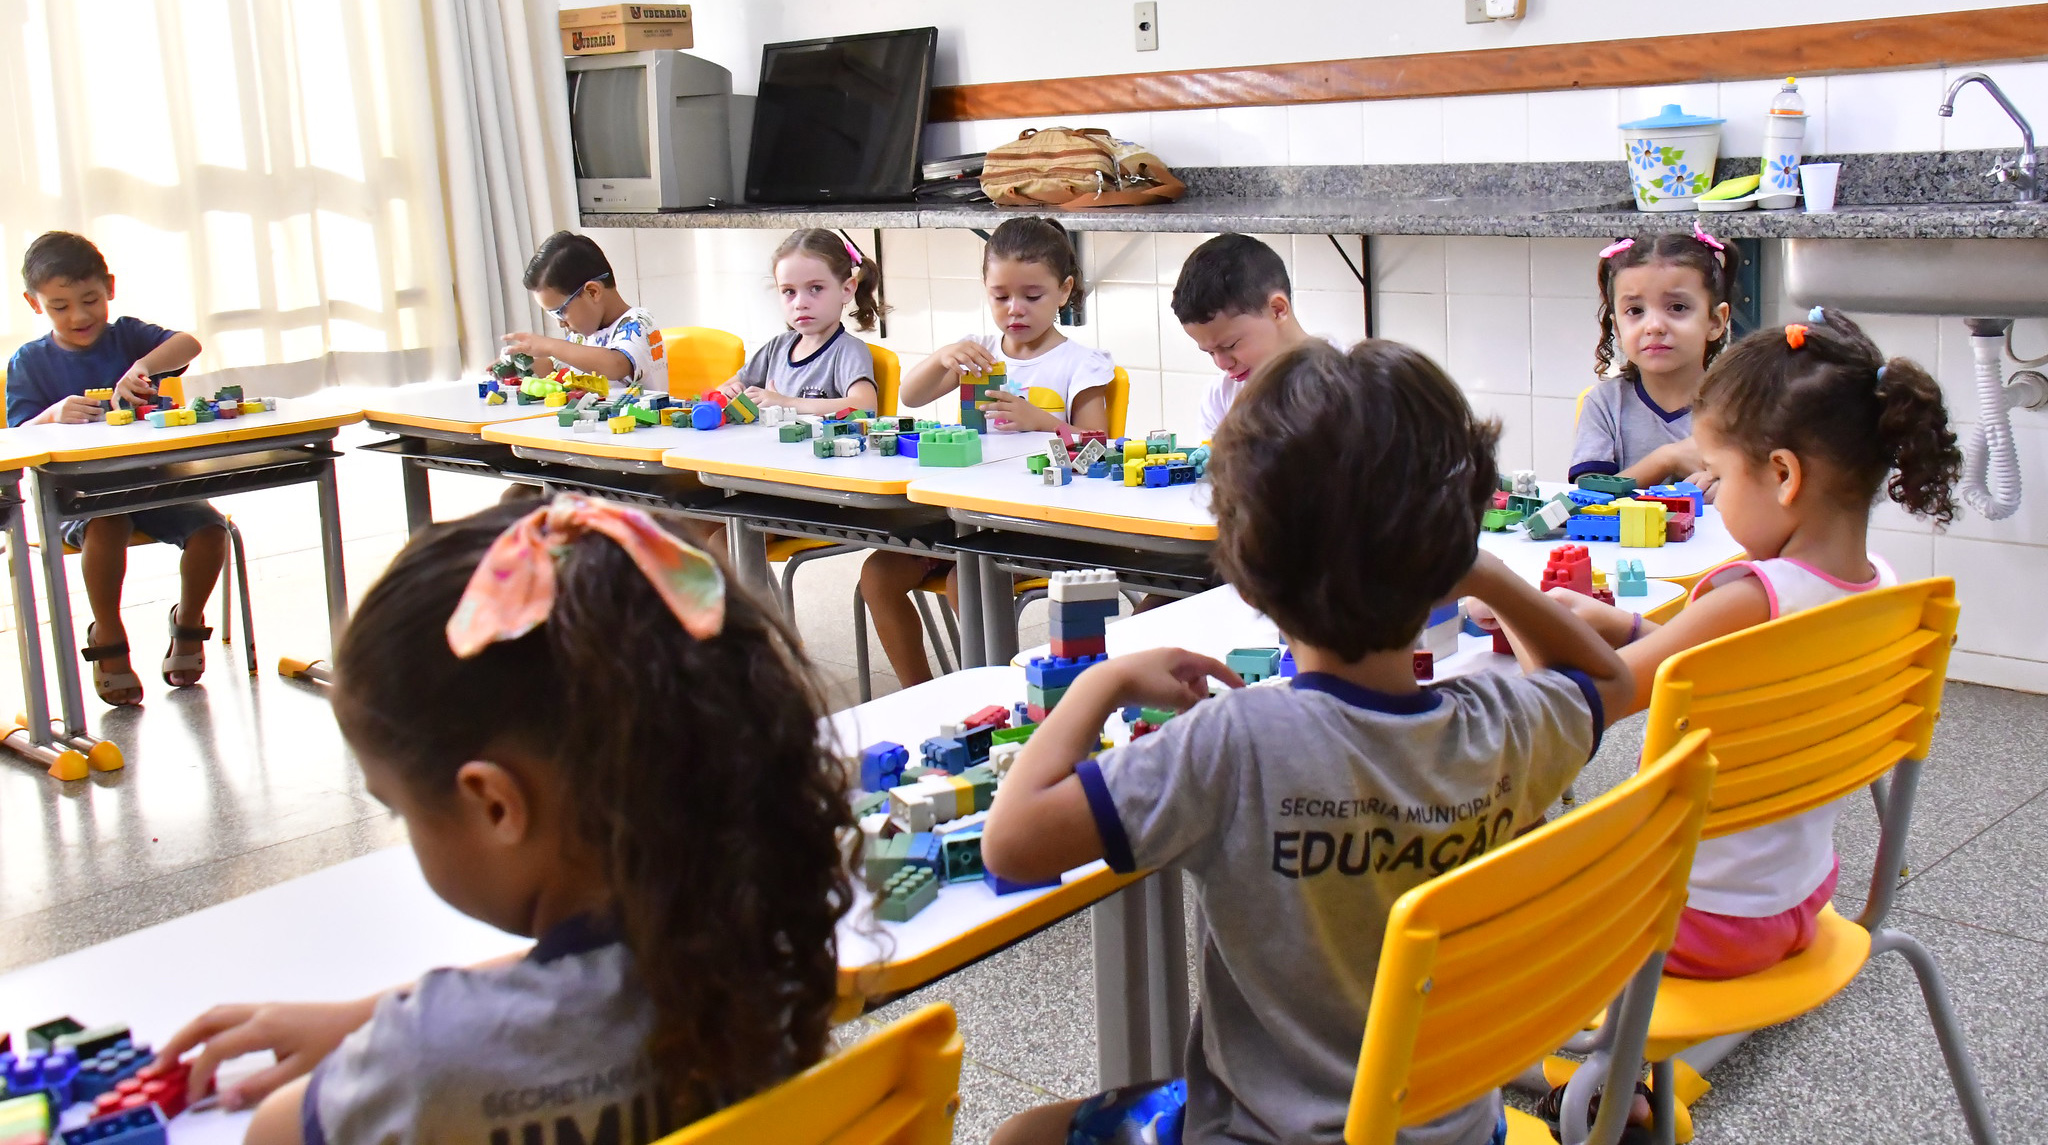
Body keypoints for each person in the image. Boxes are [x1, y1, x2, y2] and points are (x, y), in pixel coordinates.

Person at [982, 340, 1633, 1145]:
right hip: (1458, 1129)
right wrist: (1484, 572)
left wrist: (1099, 684)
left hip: (1260, 1133)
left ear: (1246, 575)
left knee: (1019, 1134)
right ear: (1450, 550)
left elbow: (1010, 843)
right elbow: (1609, 682)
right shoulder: (1501, 722)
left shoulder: (1236, 744)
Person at [155, 497, 856, 1144]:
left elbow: (273, 1130)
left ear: (495, 805)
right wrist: (368, 1014)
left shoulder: (423, 1060)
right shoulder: (768, 942)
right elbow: (596, 974)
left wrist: (395, 1033)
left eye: (401, 808)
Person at [1546, 308, 1960, 980]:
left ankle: (1611, 1079)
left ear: (1783, 475)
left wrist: (1527, 623)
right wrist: (1624, 627)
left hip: (1685, 920)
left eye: (1716, 473)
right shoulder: (1882, 588)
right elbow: (1737, 675)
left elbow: (1593, 701)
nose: (1708, 489)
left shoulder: (1750, 596)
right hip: (1797, 899)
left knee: (1495, 868)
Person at [860, 217, 1114, 686]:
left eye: (1032, 296)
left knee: (967, 581)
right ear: (985, 289)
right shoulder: (977, 352)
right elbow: (911, 398)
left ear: (1064, 290)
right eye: (1000, 296)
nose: (1015, 309)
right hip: (964, 517)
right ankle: (920, 693)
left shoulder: (1079, 364)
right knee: (878, 573)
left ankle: (994, 691)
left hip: (1040, 526)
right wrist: (942, 358)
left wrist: (1045, 423)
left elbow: (1102, 449)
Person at [6, 231, 224, 704]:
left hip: (155, 484)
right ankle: (108, 632)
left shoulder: (126, 335)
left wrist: (142, 365)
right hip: (82, 497)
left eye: (90, 300)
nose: (80, 316)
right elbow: (19, 435)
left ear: (109, 287)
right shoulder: (30, 361)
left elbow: (188, 343)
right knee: (107, 528)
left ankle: (188, 622)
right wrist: (54, 413)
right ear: (34, 303)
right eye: (60, 306)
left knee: (212, 531)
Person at [1569, 226, 1742, 496]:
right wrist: (1666, 459)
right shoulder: (1604, 405)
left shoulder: (1743, 406)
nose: (1654, 326)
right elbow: (1588, 495)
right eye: (1635, 310)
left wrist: (1728, 488)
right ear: (1616, 327)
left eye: (1677, 307)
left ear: (1715, 321)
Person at [715, 228, 883, 415]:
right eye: (789, 291)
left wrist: (786, 403)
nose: (800, 303)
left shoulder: (848, 351)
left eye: (816, 288)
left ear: (847, 290)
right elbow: (725, 387)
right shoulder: (776, 348)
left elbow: (865, 406)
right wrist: (728, 392)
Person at [1170, 233, 1311, 437]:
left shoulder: (1346, 385)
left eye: (1230, 345)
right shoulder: (1220, 397)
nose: (1222, 363)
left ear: (1278, 310)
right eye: (1210, 352)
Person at [502, 231, 666, 391]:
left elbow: (616, 365)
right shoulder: (581, 335)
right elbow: (555, 368)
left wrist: (550, 345)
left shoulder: (639, 323)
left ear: (592, 292)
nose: (560, 323)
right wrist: (521, 365)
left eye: (560, 312)